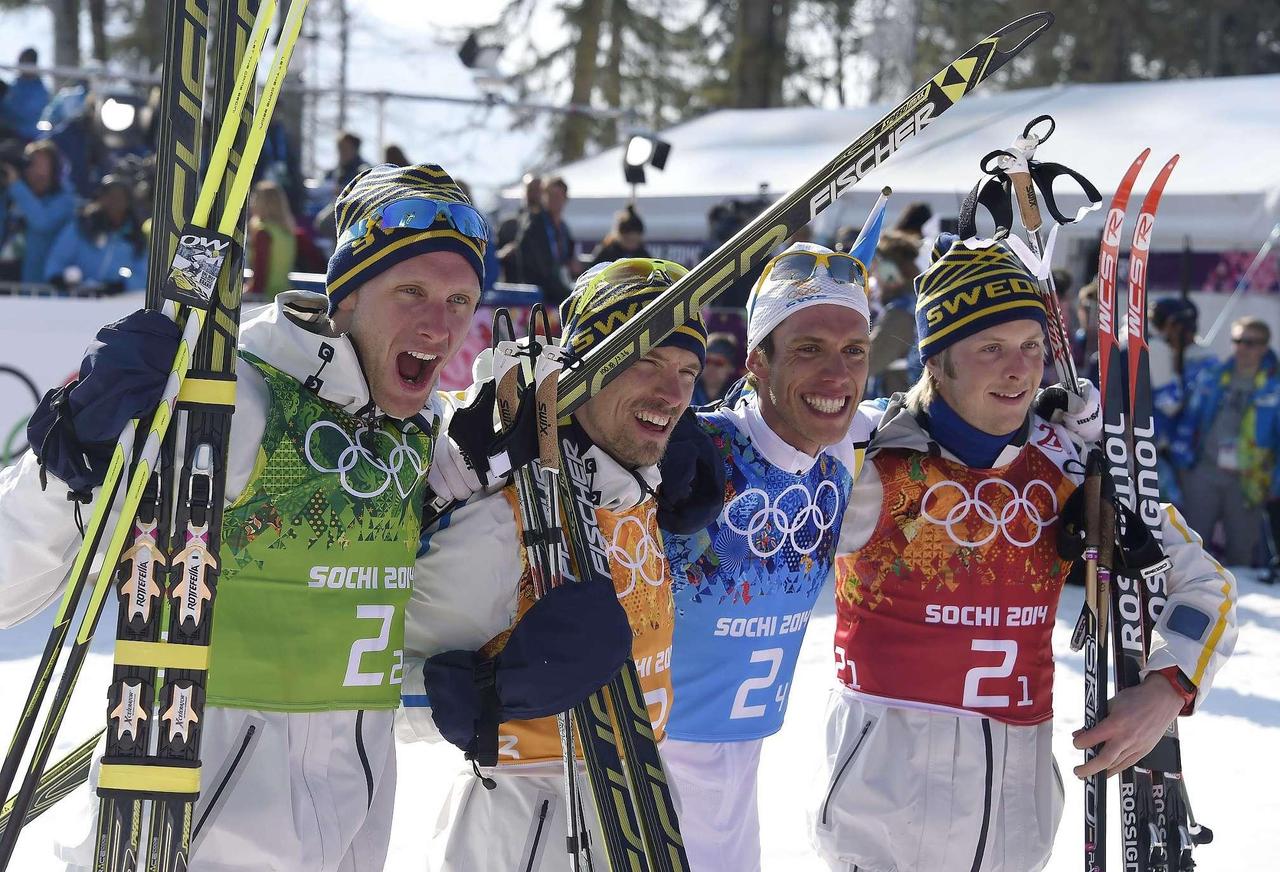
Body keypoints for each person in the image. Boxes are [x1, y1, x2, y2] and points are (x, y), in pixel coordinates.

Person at [0, 162, 496, 871]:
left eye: (459, 300)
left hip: (348, 842)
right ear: (347, 293)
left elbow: (379, 665)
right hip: (185, 838)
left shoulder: (422, 440)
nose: (438, 323)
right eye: (410, 291)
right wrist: (73, 453)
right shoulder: (238, 403)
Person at [810, 234, 1238, 872]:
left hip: (1013, 819)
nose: (1019, 369)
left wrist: (1167, 688)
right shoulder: (863, 453)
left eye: (1031, 347)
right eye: (990, 348)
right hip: (878, 820)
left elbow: (1206, 584)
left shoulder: (1071, 462)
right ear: (936, 359)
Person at [398, 257, 715, 871]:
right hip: (525, 820)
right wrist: (486, 692)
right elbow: (372, 688)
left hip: (643, 807)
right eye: (646, 360)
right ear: (586, 370)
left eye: (687, 371)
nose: (673, 393)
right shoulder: (500, 519)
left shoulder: (641, 485)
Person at [661, 241, 874, 872]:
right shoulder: (694, 447)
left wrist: (1050, 419)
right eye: (808, 349)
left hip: (738, 778)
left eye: (853, 351)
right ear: (758, 362)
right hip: (641, 776)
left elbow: (941, 411)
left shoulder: (844, 448)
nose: (837, 376)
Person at [1171, 315, 1280, 567]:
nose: (1242, 347)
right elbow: (1189, 419)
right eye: (1237, 340)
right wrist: (1182, 463)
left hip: (1247, 481)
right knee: (1193, 550)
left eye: (1250, 342)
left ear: (1264, 346)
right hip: (1204, 473)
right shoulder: (1214, 375)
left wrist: (1274, 482)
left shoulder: (1274, 386)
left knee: (1241, 554)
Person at [44, 174, 147, 293]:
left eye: (120, 197)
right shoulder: (80, 227)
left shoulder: (135, 237)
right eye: (109, 196)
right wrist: (64, 282)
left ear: (128, 202)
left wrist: (121, 286)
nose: (114, 202)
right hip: (76, 303)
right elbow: (55, 264)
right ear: (99, 199)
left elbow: (143, 278)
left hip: (118, 305)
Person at [0, 139, 75, 283]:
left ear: (54, 170)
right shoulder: (11, 196)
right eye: (31, 164)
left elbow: (42, 222)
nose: (37, 171)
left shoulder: (64, 201)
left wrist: (16, 185)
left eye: (43, 165)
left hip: (40, 290)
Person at [866, 230, 920, 398]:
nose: (873, 278)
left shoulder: (900, 315)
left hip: (897, 412)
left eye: (875, 270)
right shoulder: (913, 304)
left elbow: (865, 363)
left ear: (889, 273)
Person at [510, 175, 575, 306]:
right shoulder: (533, 224)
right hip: (538, 297)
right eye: (549, 195)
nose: (553, 200)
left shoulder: (563, 228)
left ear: (565, 198)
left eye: (558, 196)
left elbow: (568, 260)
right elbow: (540, 269)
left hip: (559, 290)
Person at [245, 180, 300, 298]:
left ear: (262, 203)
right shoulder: (287, 231)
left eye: (255, 198)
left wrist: (248, 294)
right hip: (284, 295)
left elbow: (260, 275)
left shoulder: (263, 232)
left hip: (266, 299)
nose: (251, 202)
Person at [0, 48, 50, 142]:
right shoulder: (16, 85)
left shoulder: (40, 91)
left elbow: (25, 114)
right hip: (8, 131)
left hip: (26, 136)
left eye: (24, 63)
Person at [692, 331, 740, 406]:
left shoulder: (738, 397)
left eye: (719, 363)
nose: (711, 367)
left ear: (731, 368)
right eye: (707, 361)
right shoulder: (686, 390)